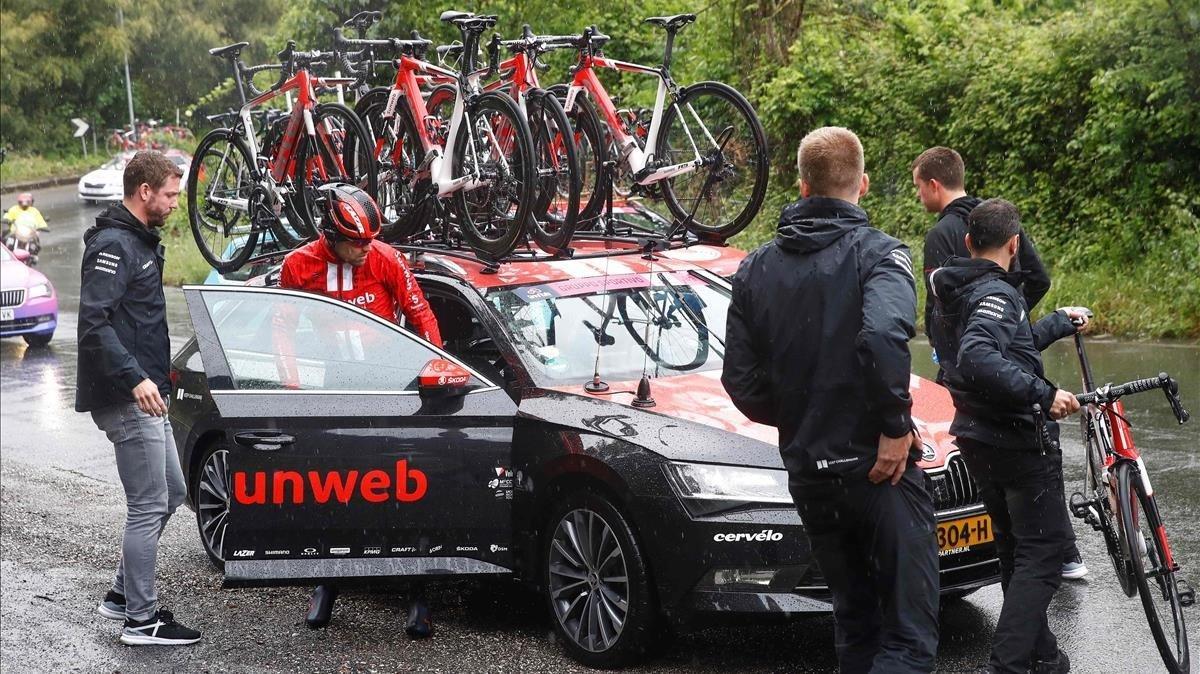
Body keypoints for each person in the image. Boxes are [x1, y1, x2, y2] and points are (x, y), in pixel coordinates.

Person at [723, 127, 938, 672]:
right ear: (862, 184)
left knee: (856, 622)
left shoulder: (754, 268)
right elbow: (884, 336)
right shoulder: (880, 255)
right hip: (877, 469)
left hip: (811, 470)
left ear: (801, 187)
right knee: (908, 640)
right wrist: (893, 427)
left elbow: (741, 382)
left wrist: (806, 413)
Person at [911, 146, 1087, 581]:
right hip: (1002, 362)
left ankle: (962, 546)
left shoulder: (946, 235)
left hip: (971, 367)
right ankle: (1063, 556)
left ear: (934, 185)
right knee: (1033, 471)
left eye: (918, 187)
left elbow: (942, 310)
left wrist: (986, 327)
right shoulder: (998, 217)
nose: (919, 196)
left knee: (969, 450)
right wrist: (1011, 320)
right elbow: (1038, 279)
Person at [927, 198, 1086, 674]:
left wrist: (1056, 322)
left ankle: (1044, 657)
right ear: (1014, 245)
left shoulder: (956, 290)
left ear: (969, 242)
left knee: (1016, 550)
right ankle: (1009, 664)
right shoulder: (995, 293)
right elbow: (979, 356)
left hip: (978, 440)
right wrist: (1044, 393)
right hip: (1015, 440)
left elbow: (1003, 347)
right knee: (1044, 555)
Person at [277, 182, 442, 638]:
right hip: (336, 389)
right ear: (329, 236)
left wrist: (434, 374)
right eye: (355, 243)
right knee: (334, 492)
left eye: (371, 240)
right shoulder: (298, 266)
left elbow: (422, 315)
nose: (365, 250)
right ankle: (327, 583)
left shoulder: (386, 258)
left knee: (406, 491)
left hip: (391, 389)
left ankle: (419, 595)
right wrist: (289, 386)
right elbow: (281, 328)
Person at [76, 151, 201, 646]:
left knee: (171, 492)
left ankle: (122, 595)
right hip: (130, 396)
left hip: (147, 393)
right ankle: (141, 621)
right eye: (169, 194)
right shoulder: (113, 244)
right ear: (143, 191)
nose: (174, 203)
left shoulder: (137, 240)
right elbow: (93, 323)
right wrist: (135, 379)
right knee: (149, 504)